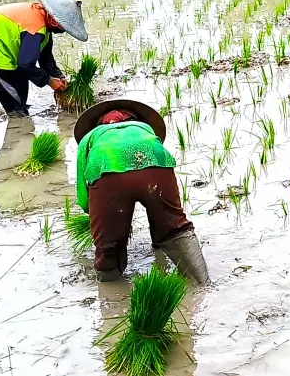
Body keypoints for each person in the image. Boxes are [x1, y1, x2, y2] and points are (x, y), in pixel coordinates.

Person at [74, 99, 210, 284]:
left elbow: (84, 197)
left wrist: (102, 217)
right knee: (173, 225)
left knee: (108, 243)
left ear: (100, 123)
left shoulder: (91, 138)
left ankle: (111, 297)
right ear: (134, 118)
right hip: (155, 161)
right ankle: (202, 283)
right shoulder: (144, 129)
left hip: (107, 169)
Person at [0, 0, 89, 117]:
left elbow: (45, 57)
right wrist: (49, 81)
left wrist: (58, 76)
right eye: (63, 27)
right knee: (13, 92)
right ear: (54, 20)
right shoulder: (36, 28)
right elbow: (25, 64)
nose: (62, 31)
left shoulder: (43, 21)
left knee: (21, 84)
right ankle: (17, 120)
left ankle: (21, 111)